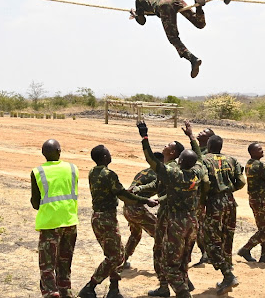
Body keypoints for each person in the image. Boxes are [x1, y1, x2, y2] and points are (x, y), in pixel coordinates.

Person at [137, 121, 209, 298]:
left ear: (180, 160)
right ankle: (179, 285)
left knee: (168, 263)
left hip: (174, 221)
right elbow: (199, 158)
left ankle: (182, 292)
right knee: (184, 257)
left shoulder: (173, 174)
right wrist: (191, 137)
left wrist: (145, 137)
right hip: (192, 221)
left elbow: (151, 161)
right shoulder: (198, 172)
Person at [78, 145, 159, 298]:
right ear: (104, 157)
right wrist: (146, 200)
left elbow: (115, 191)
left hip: (98, 217)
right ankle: (90, 286)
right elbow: (122, 195)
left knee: (113, 253)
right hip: (106, 219)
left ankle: (113, 289)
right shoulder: (109, 174)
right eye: (108, 153)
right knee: (115, 256)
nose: (110, 155)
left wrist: (124, 192)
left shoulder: (93, 172)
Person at [30, 139, 79, 298]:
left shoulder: (37, 172)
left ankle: (51, 292)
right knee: (65, 263)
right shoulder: (73, 169)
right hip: (70, 222)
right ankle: (66, 292)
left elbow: (35, 203)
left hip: (50, 224)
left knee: (47, 265)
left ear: (43, 154)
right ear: (60, 151)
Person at [201, 134, 246, 295]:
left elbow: (205, 183)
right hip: (230, 202)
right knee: (228, 238)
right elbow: (241, 181)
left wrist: (205, 198)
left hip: (214, 202)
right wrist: (228, 189)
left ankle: (228, 275)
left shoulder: (205, 160)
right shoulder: (232, 160)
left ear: (209, 145)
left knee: (211, 240)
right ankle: (227, 271)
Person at [130, 0, 207, 78]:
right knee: (199, 24)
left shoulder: (138, 0)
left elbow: (142, 21)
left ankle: (193, 60)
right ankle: (198, 6)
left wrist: (135, 14)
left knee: (173, 38)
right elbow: (153, 10)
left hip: (164, 6)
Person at [121, 156, 162, 270]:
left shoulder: (144, 172)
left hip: (128, 208)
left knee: (135, 234)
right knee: (160, 234)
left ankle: (122, 260)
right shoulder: (156, 175)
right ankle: (163, 264)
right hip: (136, 209)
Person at [190, 126, 214, 266]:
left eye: (204, 132)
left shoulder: (205, 153)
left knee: (198, 225)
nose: (201, 132)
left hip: (199, 195)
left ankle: (206, 254)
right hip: (194, 193)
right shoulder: (196, 150)